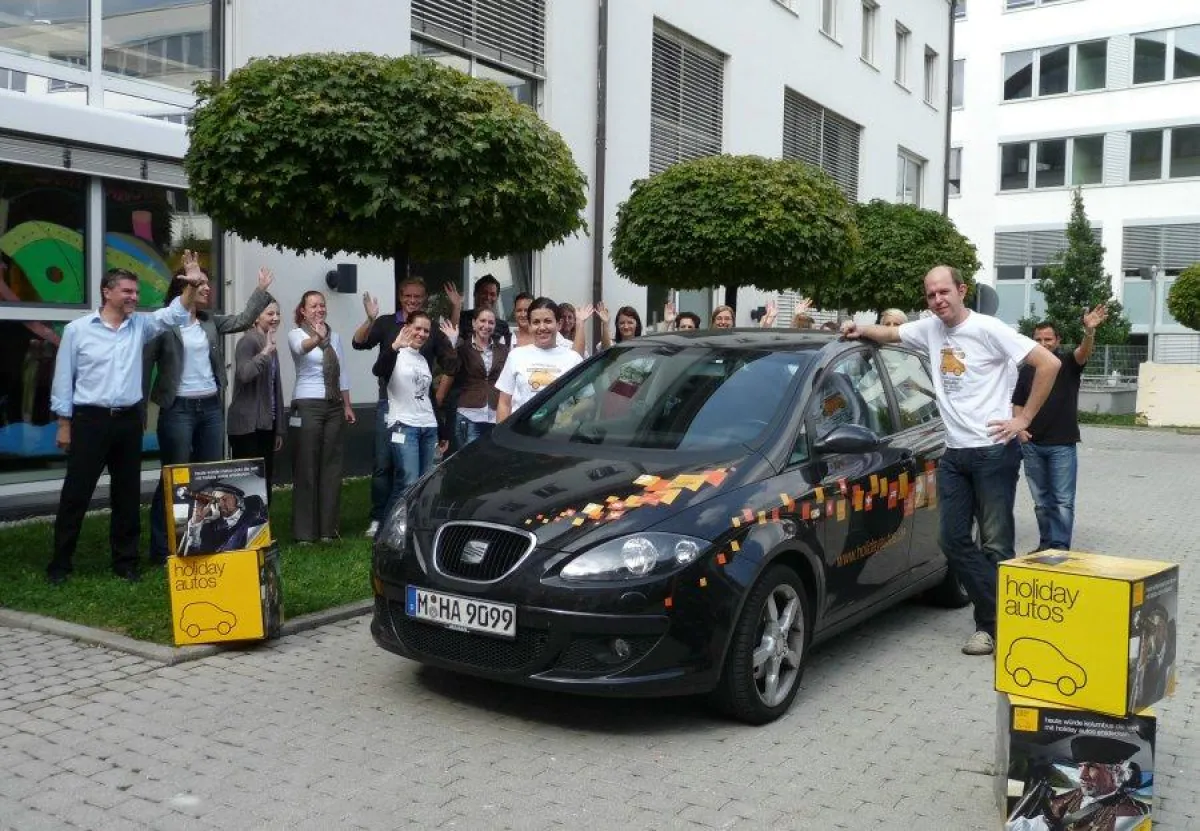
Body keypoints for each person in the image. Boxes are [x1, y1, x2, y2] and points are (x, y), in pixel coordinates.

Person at [841, 265, 1061, 656]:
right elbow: (891, 333)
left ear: (961, 290)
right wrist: (859, 329)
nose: (938, 300)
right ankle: (1004, 613)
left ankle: (988, 627)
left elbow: (1049, 363)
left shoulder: (988, 328)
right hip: (955, 454)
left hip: (994, 452)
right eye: (930, 295)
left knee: (995, 543)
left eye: (944, 292)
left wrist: (1023, 418)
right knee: (952, 539)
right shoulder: (929, 329)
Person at [47, 255, 205, 584]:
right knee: (76, 493)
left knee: (127, 493)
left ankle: (125, 561)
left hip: (128, 421)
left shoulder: (141, 326)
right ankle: (60, 563)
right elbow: (64, 379)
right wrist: (64, 423)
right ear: (107, 292)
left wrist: (191, 283)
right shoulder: (78, 331)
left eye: (135, 292)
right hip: (90, 420)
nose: (134, 297)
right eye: (127, 291)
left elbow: (174, 312)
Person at [144, 265, 274, 565]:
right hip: (178, 409)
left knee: (210, 478)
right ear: (184, 287)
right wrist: (141, 409)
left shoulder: (210, 321)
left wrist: (260, 291)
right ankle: (163, 548)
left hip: (211, 408)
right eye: (200, 284)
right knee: (174, 478)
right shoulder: (165, 322)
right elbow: (144, 362)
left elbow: (243, 320)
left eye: (207, 283)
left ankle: (203, 542)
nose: (207, 289)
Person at [353, 278, 459, 537]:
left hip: (424, 418)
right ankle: (381, 520)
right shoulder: (389, 325)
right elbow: (361, 346)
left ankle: (411, 525)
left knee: (418, 479)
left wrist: (453, 340)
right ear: (401, 297)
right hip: (392, 407)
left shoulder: (426, 346)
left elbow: (446, 372)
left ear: (424, 299)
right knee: (386, 465)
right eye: (408, 296)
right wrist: (376, 326)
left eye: (418, 297)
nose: (413, 300)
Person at [1011, 305, 1108, 552]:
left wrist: (1089, 331)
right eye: (1038, 340)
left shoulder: (1067, 363)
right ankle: (1046, 546)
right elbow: (1017, 403)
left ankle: (1060, 548)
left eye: (1048, 339)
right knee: (1041, 502)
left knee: (1063, 501)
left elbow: (1084, 352)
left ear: (1058, 340)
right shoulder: (1028, 369)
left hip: (1062, 446)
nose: (1043, 344)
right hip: (1032, 445)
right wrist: (1020, 432)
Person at [288, 290, 356, 543]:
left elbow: (343, 373)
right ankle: (304, 532)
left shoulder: (334, 337)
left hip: (334, 404)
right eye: (313, 306)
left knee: (331, 467)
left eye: (322, 305)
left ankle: (328, 529)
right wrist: (317, 337)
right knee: (307, 466)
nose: (319, 309)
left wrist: (347, 405)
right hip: (307, 404)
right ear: (303, 311)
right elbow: (302, 349)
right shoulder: (296, 334)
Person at [1006, 735, 1149, 831]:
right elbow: (1038, 824)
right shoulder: (1069, 797)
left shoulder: (1131, 811)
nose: (1082, 775)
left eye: (1092, 767)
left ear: (1115, 771)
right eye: (1080, 766)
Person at [382, 311, 449, 512]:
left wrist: (441, 430)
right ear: (407, 327)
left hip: (428, 426)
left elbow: (429, 396)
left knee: (425, 484)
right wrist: (394, 347)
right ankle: (387, 532)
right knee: (408, 482)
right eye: (417, 328)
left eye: (426, 330)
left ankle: (413, 531)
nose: (421, 333)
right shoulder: (395, 354)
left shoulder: (422, 359)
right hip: (404, 426)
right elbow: (379, 370)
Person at [228, 300, 286, 502]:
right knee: (247, 483)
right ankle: (244, 531)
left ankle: (261, 531)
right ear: (256, 317)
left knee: (264, 480)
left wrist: (278, 427)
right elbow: (244, 374)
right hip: (247, 427)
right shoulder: (248, 341)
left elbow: (274, 389)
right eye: (270, 314)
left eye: (278, 313)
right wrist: (264, 353)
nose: (275, 318)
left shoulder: (271, 345)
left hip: (265, 425)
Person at [496, 297, 583, 420]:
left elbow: (587, 400)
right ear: (530, 326)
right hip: (521, 435)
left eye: (548, 321)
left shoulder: (573, 358)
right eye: (536, 322)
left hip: (559, 436)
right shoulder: (516, 356)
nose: (542, 327)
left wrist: (566, 418)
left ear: (558, 324)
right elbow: (504, 403)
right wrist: (501, 437)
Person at [439, 307, 508, 448]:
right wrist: (452, 343)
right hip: (469, 414)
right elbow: (451, 369)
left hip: (496, 415)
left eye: (491, 322)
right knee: (470, 463)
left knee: (492, 462)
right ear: (474, 323)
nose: (486, 326)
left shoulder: (503, 350)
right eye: (482, 321)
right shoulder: (463, 348)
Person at [180, 481, 269, 555]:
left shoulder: (255, 521)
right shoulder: (207, 527)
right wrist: (197, 520)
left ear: (237, 500)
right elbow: (192, 557)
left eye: (225, 499)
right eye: (217, 500)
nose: (220, 504)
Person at [454, 273, 511, 346]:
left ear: (497, 297)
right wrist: (456, 306)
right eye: (484, 293)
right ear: (475, 294)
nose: (488, 297)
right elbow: (451, 341)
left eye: (492, 294)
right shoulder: (462, 317)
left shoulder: (503, 326)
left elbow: (506, 352)